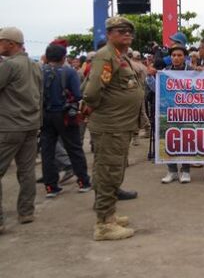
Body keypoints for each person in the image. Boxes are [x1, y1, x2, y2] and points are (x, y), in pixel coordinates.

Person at [82, 17, 143, 241]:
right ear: (109, 34)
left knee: (108, 171)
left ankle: (108, 214)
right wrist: (102, 110)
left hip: (118, 125)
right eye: (121, 30)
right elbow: (91, 92)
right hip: (111, 126)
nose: (127, 34)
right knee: (109, 173)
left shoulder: (119, 56)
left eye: (129, 31)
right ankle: (104, 225)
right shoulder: (105, 56)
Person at [0, 27, 42, 233]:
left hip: (9, 126)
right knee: (26, 171)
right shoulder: (34, 65)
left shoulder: (8, 66)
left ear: (10, 43)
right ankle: (26, 212)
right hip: (31, 124)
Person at [40, 44, 92, 197]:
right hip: (65, 115)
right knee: (74, 148)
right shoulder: (69, 72)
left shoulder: (40, 71)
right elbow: (77, 95)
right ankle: (83, 182)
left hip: (45, 114)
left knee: (47, 151)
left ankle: (50, 186)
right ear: (64, 57)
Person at [161, 44, 193, 184]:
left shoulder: (192, 71)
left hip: (187, 111)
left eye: (179, 55)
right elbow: (155, 88)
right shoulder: (164, 71)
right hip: (169, 111)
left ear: (184, 57)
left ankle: (185, 171)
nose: (176, 58)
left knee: (186, 140)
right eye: (173, 55)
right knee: (170, 139)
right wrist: (150, 77)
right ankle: (172, 171)